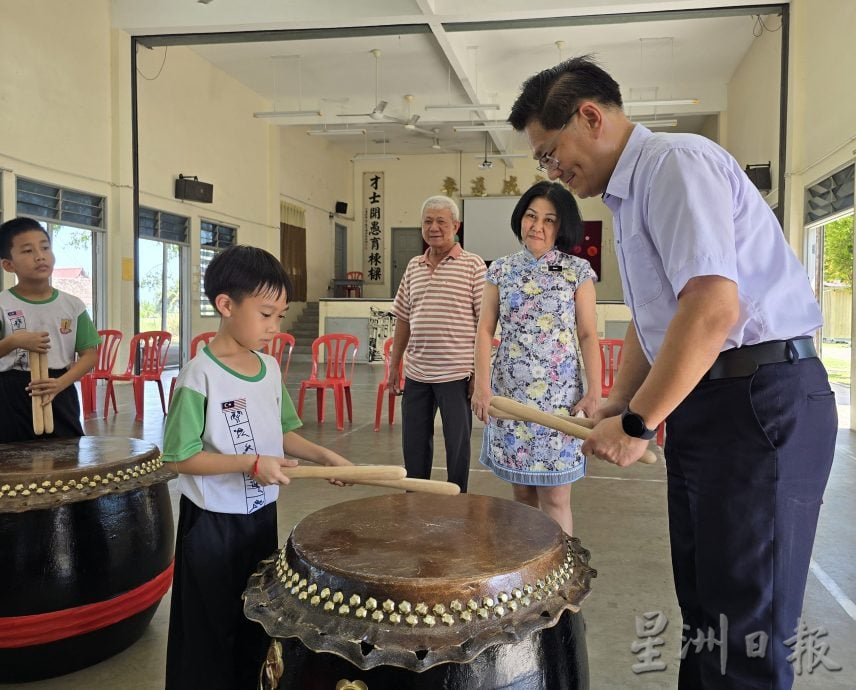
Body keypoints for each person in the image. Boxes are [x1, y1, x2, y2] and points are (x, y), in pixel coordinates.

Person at [509, 56, 837, 689]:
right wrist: (620, 401)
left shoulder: (674, 166)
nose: (551, 172)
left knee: (746, 624)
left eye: (550, 154)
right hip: (711, 402)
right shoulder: (630, 197)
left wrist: (639, 422)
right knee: (708, 610)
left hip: (758, 400)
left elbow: (712, 308)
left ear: (590, 117)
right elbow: (657, 319)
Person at [162, 245, 353, 690]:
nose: (274, 327)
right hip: (212, 524)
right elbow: (179, 457)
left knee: (255, 617)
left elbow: (282, 432)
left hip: (260, 516)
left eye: (280, 316)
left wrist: (325, 457)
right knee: (210, 630)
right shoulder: (199, 375)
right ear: (226, 305)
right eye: (265, 314)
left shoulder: (268, 368)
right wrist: (250, 463)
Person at [471, 181, 600, 535]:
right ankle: (529, 564)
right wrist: (481, 386)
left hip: (559, 401)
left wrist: (595, 391)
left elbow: (588, 335)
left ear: (562, 226)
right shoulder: (500, 269)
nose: (537, 226)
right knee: (522, 494)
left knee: (556, 498)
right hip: (510, 398)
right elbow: (484, 331)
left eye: (549, 220)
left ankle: (562, 565)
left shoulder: (577, 271)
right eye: (531, 216)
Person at [388, 195, 486, 492]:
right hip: (417, 374)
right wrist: (395, 365)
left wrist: (479, 375)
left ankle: (458, 500)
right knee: (414, 446)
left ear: (456, 226)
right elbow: (403, 319)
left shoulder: (473, 266)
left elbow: (484, 326)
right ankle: (416, 500)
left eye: (441, 221)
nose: (434, 228)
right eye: (428, 222)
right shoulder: (413, 266)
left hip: (456, 375)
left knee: (457, 446)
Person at [0, 217, 99, 442]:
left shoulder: (72, 305)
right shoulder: (3, 304)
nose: (40, 256)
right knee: (12, 456)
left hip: (60, 387)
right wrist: (14, 341)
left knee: (65, 452)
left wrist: (61, 383)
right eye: (27, 251)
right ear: (8, 265)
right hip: (10, 392)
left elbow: (90, 355)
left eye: (45, 247)